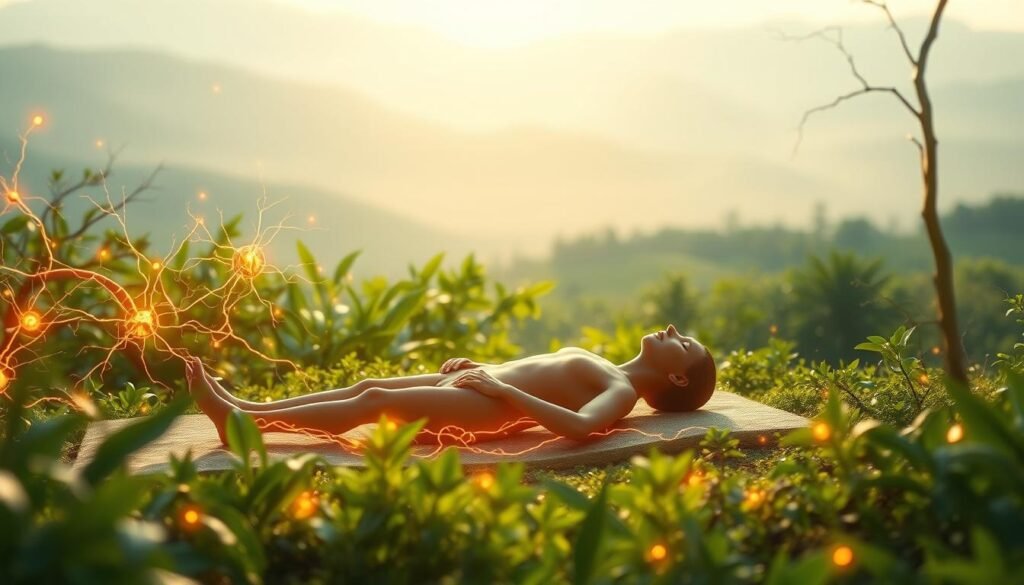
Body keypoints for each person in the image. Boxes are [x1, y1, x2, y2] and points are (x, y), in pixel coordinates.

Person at [185, 324, 716, 446]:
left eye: (684, 343)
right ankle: (245, 406)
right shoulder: (609, 366)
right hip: (480, 385)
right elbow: (538, 374)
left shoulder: (621, 392)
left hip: (486, 408)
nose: (672, 331)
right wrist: (483, 367)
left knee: (372, 402)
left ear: (675, 376)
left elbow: (578, 426)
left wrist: (506, 394)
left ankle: (242, 426)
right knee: (369, 383)